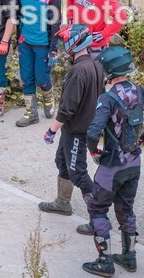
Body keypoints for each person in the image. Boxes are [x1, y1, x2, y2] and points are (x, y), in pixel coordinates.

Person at [81, 47, 144, 277]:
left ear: (108, 71)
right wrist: (143, 138)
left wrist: (94, 152)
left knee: (97, 209)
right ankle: (129, 258)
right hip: (134, 162)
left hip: (111, 165)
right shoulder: (140, 91)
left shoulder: (108, 98)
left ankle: (104, 262)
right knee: (126, 209)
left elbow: (93, 132)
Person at [39, 24, 105, 219]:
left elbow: (68, 107)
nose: (61, 45)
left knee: (78, 172)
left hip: (78, 128)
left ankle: (98, 218)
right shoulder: (96, 64)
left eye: (64, 41)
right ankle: (62, 203)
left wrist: (51, 130)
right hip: (82, 126)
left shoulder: (78, 71)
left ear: (74, 43)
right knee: (62, 161)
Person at [15, 0, 61, 127]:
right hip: (25, 43)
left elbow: (56, 23)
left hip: (43, 44)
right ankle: (31, 113)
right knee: (26, 78)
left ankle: (48, 98)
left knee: (41, 78)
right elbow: (18, 17)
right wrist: (17, 40)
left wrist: (54, 48)